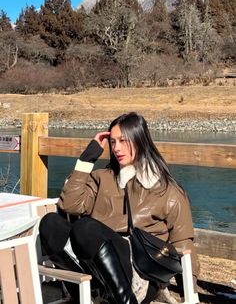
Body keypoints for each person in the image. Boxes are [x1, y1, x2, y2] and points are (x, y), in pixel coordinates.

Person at [39, 112, 199, 304]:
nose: (116, 148)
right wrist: (87, 159)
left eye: (123, 141)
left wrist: (190, 292)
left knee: (86, 227)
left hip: (142, 271)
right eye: (113, 142)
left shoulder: (167, 189)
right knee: (50, 223)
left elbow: (183, 243)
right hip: (99, 269)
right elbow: (70, 204)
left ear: (140, 140)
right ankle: (87, 294)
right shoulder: (102, 178)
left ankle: (124, 300)